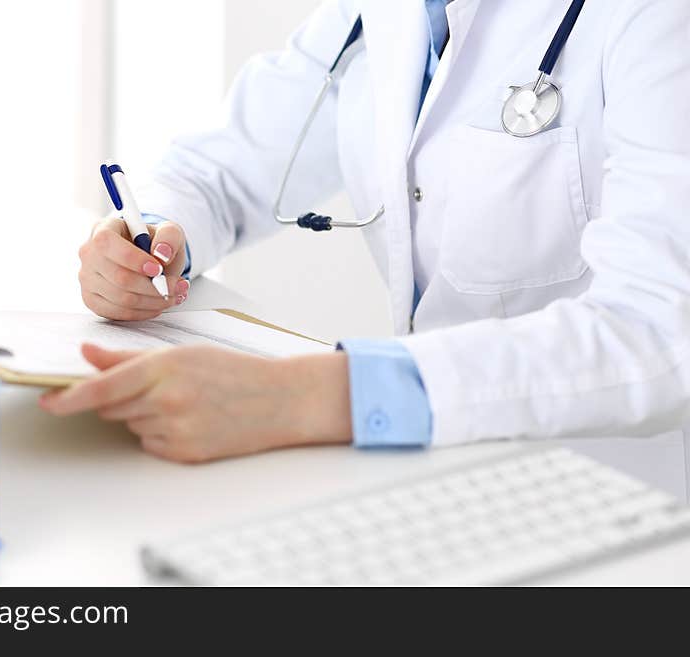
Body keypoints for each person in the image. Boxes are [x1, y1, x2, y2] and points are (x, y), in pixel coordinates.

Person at [40, 0, 690, 465]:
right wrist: (150, 238)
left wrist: (314, 394)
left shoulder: (655, 17)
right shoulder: (382, 13)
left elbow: (661, 332)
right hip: (432, 471)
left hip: (622, 497)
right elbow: (222, 169)